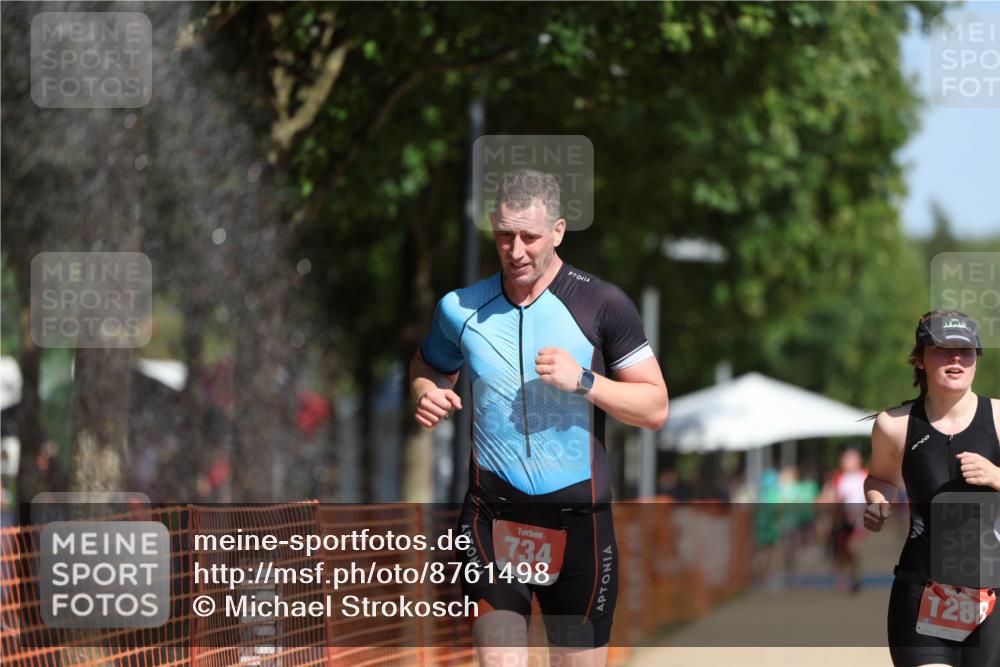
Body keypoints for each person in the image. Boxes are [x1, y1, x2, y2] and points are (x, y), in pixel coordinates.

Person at [410, 169, 668, 666]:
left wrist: (585, 381)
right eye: (504, 235)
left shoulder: (601, 305)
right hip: (493, 518)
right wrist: (427, 390)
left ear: (558, 231)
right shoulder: (460, 308)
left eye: (529, 236)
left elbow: (655, 407)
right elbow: (427, 364)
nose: (516, 249)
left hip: (581, 528)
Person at [864, 310, 1000, 667]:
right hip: (921, 593)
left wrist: (997, 477)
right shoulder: (894, 425)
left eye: (966, 350)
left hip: (993, 601)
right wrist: (878, 499)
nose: (956, 358)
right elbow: (880, 478)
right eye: (942, 349)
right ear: (919, 359)